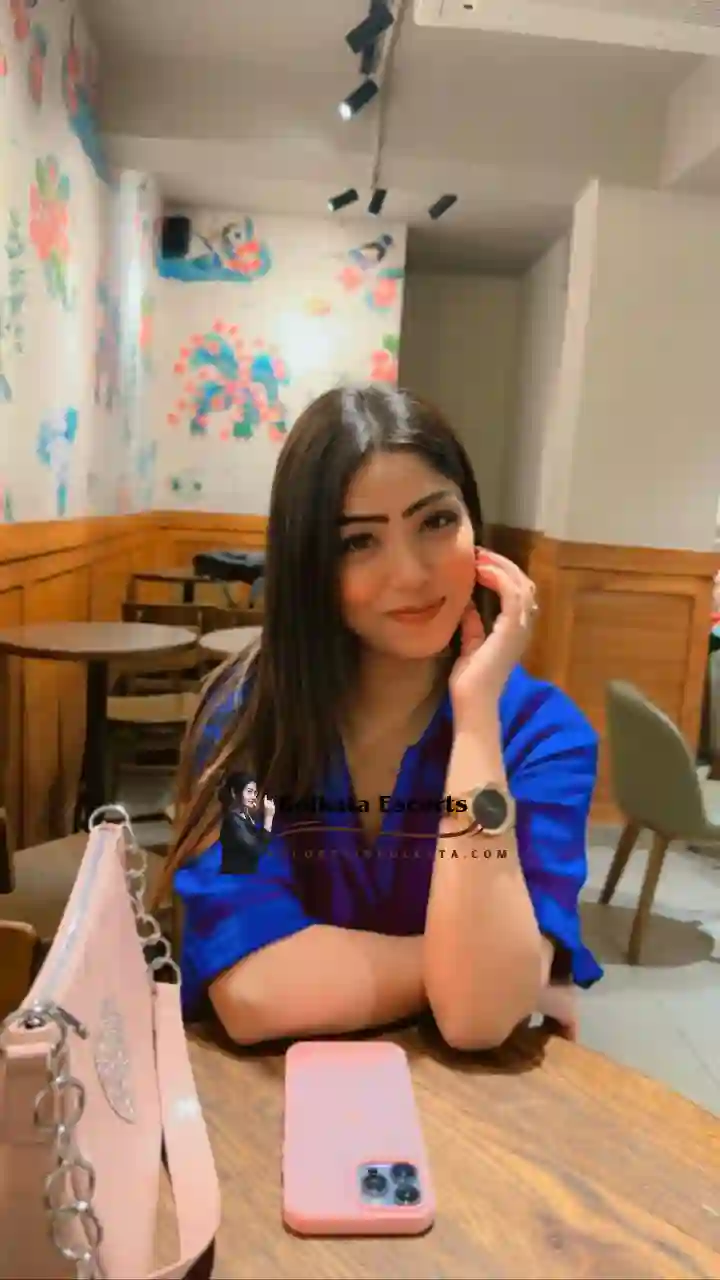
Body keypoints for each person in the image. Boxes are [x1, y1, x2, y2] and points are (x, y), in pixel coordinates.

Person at [155, 385, 603, 1048]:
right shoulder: (251, 727)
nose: (411, 574)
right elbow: (251, 988)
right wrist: (486, 973)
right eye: (359, 541)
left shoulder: (541, 737)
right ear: (311, 565)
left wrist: (475, 719)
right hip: (277, 1091)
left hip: (474, 1102)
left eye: (436, 522)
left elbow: (478, 1021)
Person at [218, 773, 275, 876]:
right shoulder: (233, 821)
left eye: (255, 793)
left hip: (245, 877)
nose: (253, 797)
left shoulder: (244, 817)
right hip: (236, 879)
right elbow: (257, 850)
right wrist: (268, 819)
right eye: (249, 792)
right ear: (234, 793)